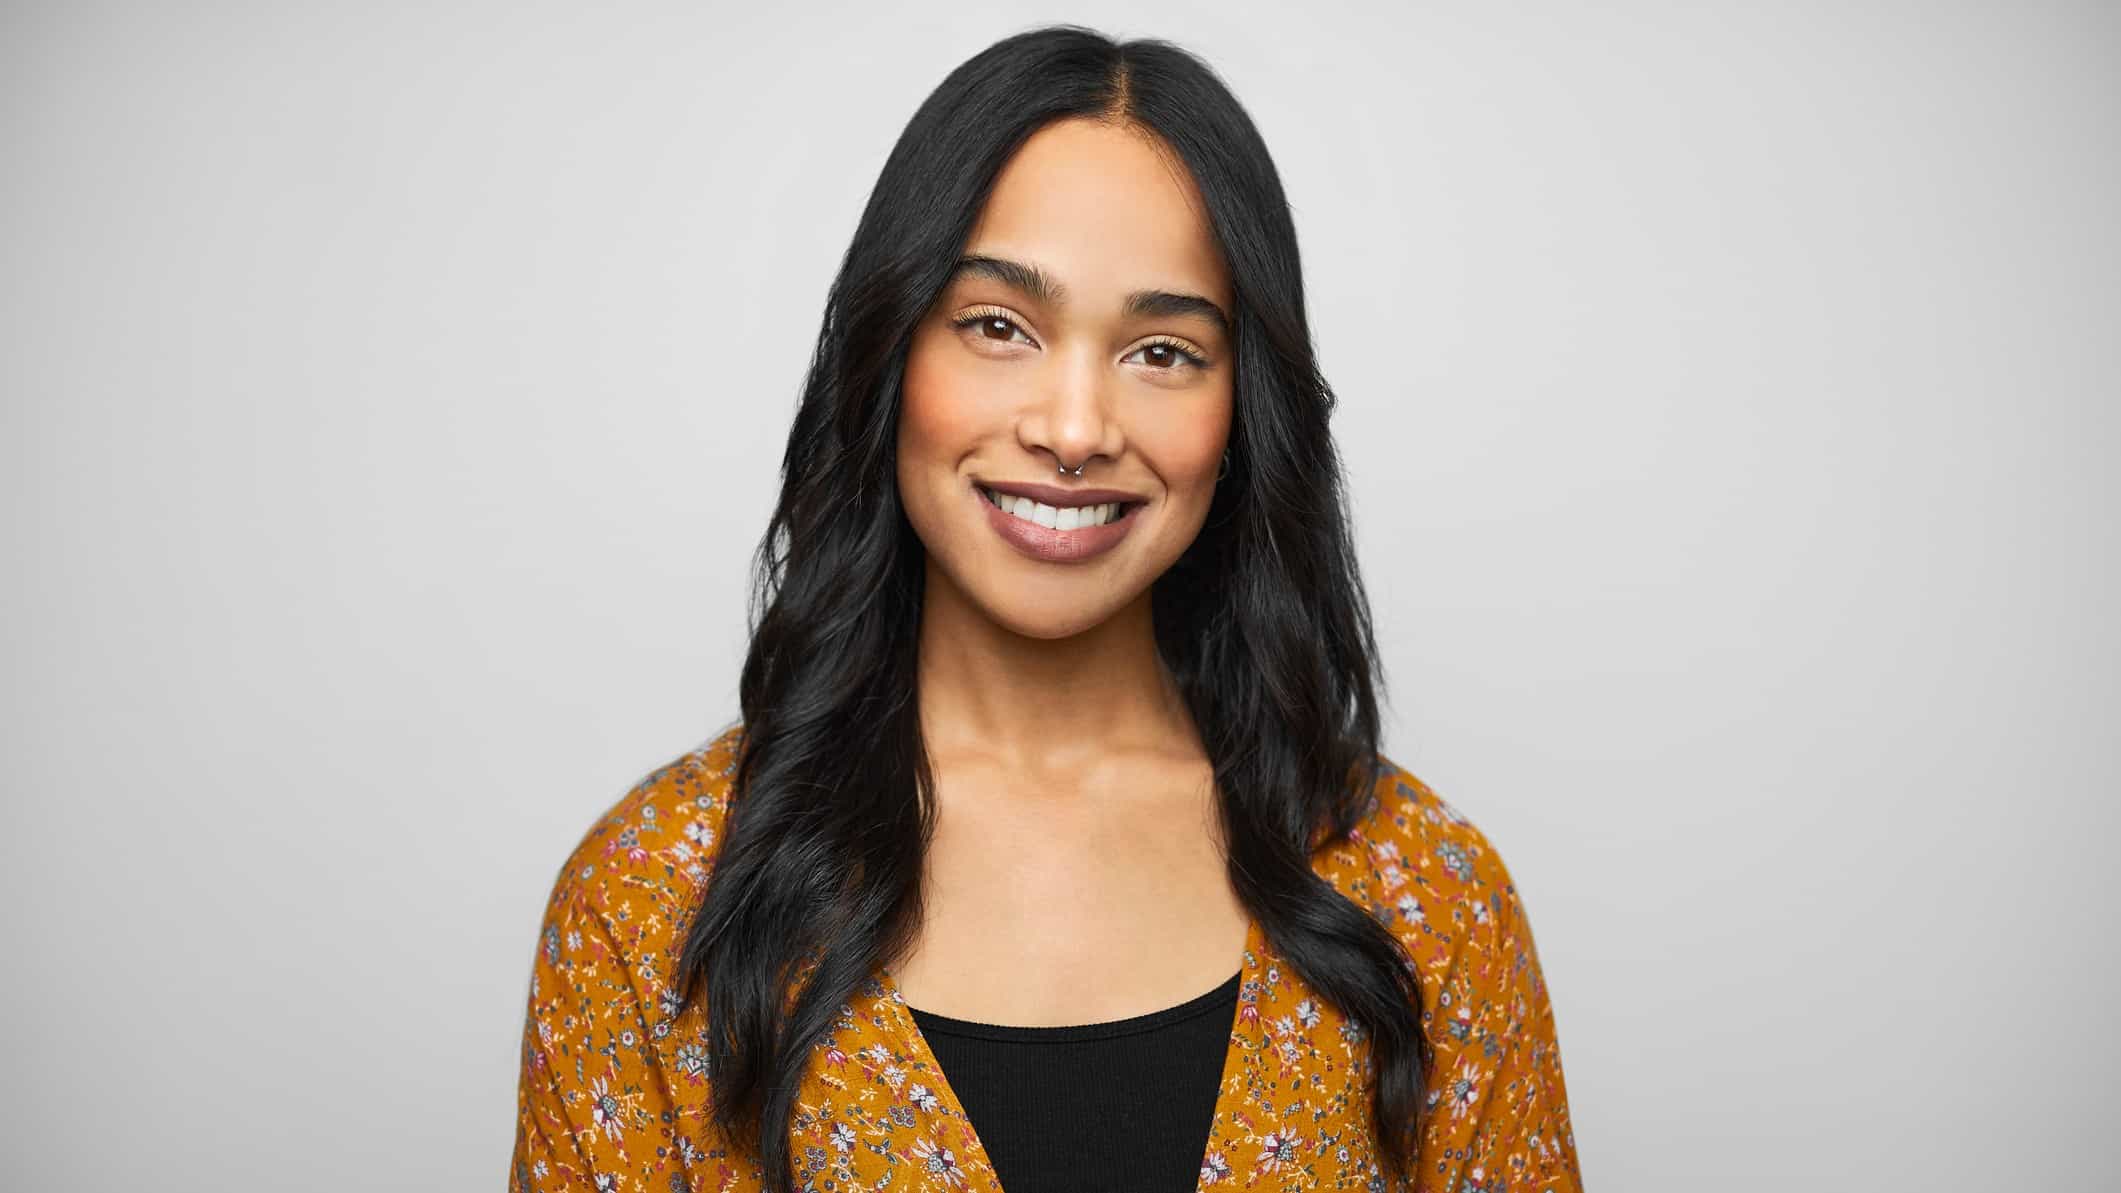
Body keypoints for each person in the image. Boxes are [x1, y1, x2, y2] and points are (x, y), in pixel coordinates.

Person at [510, 24, 1581, 1193]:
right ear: (889, 356)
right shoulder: (656, 898)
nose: (1075, 429)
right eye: (998, 327)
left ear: (1243, 414)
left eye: (1164, 350)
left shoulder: (1422, 893)